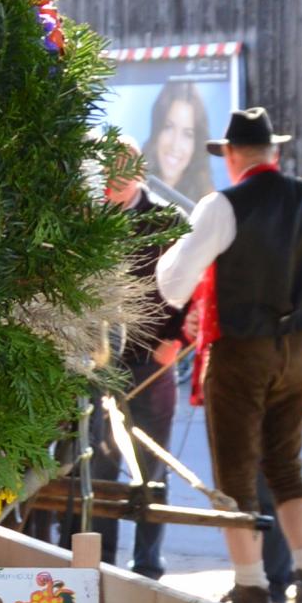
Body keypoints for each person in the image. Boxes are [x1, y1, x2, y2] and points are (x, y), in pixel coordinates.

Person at [155, 105, 302, 603]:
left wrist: (184, 253)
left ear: (233, 155)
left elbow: (173, 284)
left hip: (242, 351)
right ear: (274, 152)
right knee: (286, 467)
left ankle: (252, 588)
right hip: (301, 350)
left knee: (236, 474)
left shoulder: (222, 206)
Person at [94, 138, 186, 580]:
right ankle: (97, 559)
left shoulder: (168, 221)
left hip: (152, 357)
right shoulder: (87, 219)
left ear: (139, 172)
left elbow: (193, 285)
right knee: (99, 462)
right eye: (107, 168)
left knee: (151, 463)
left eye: (123, 168)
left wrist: (176, 338)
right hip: (97, 361)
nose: (114, 178)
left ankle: (148, 563)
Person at [139, 78, 213, 207]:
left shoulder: (208, 203)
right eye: (168, 127)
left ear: (196, 144)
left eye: (187, 134)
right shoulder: (132, 186)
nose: (175, 145)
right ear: (157, 131)